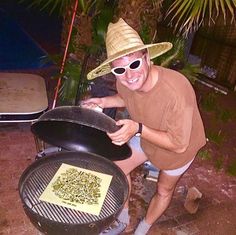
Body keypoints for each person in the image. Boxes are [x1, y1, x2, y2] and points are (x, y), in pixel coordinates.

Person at [83, 18, 206, 235]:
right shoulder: (125, 79)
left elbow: (178, 144)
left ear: (147, 58)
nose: (129, 75)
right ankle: (122, 216)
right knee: (118, 169)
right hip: (145, 130)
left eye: (134, 64)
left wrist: (138, 129)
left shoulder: (176, 91)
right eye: (119, 70)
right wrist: (103, 102)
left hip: (178, 146)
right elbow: (126, 97)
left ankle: (144, 227)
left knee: (163, 189)